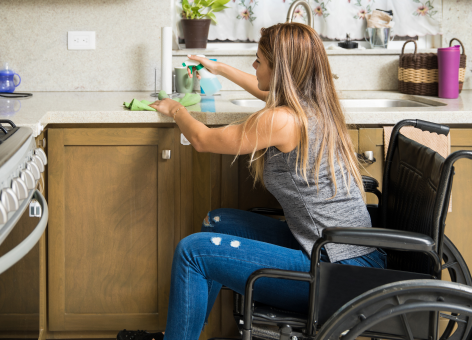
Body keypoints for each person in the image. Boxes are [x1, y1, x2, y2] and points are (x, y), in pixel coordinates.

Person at [117, 22, 386, 340]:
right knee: (217, 221)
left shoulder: (284, 119)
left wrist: (175, 109)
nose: (254, 66)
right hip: (347, 254)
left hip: (336, 273)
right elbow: (263, 90)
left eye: (259, 60)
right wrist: (218, 68)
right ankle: (182, 332)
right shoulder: (315, 103)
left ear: (279, 69)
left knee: (193, 251)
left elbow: (203, 140)